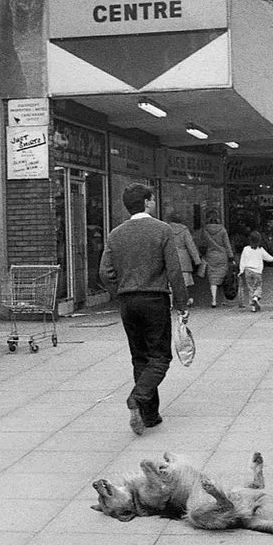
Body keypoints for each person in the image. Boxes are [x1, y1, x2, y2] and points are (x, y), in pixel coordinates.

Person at [100, 183, 190, 435]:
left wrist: (120, 289)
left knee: (140, 357)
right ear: (148, 202)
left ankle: (150, 415)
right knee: (160, 357)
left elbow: (104, 272)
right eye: (153, 199)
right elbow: (174, 270)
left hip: (128, 301)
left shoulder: (115, 234)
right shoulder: (162, 230)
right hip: (154, 299)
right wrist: (182, 303)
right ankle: (138, 398)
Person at [199, 211, 234, 308]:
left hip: (211, 256)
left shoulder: (205, 230)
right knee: (223, 277)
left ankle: (214, 300)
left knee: (213, 278)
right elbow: (227, 245)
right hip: (222, 256)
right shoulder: (222, 230)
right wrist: (231, 257)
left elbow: (202, 243)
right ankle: (223, 299)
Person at [237, 231, 273, 311]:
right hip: (257, 271)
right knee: (258, 287)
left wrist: (241, 271)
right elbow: (267, 258)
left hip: (247, 271)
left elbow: (242, 260)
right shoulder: (260, 249)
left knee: (250, 288)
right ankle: (255, 298)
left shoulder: (246, 249)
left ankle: (253, 307)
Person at [167, 214, 202, 302]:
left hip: (170, 256)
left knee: (170, 282)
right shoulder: (184, 229)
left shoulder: (166, 228)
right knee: (184, 282)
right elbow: (190, 245)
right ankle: (184, 301)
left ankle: (170, 303)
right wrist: (197, 260)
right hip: (184, 258)